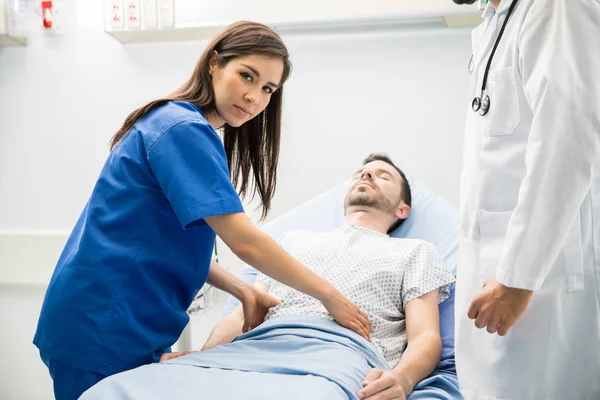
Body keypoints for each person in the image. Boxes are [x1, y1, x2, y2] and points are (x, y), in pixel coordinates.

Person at [33, 21, 371, 400]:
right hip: (103, 323)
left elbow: (161, 242)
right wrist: (331, 296)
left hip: (114, 321)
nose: (255, 98)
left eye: (267, 89)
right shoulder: (182, 129)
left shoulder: (180, 126)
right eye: (247, 76)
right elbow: (246, 242)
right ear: (214, 63)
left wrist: (244, 289)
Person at [81, 153, 456, 400]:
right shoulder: (292, 242)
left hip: (339, 357)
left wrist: (404, 380)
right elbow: (246, 307)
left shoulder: (416, 251)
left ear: (403, 207)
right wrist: (209, 355)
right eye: (361, 172)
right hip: (256, 347)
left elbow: (425, 336)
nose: (367, 175)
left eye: (382, 175)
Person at [452, 0, 600, 398]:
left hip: (540, 280)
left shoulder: (556, 7)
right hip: (494, 274)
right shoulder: (496, 22)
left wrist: (518, 278)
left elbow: (566, 145)